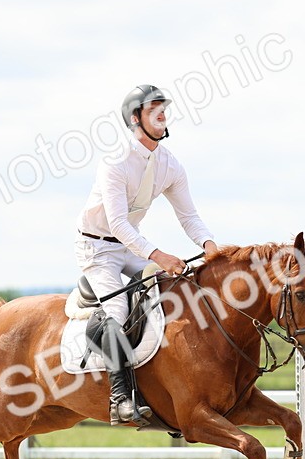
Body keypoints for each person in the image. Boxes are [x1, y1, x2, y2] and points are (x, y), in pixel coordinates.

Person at [75, 84, 218, 425]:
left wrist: (210, 246)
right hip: (97, 247)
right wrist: (159, 255)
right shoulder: (115, 162)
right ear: (135, 118)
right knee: (117, 309)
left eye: (163, 107)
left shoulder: (170, 164)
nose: (162, 113)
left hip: (128, 246)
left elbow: (189, 216)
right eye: (153, 108)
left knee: (175, 286)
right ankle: (120, 398)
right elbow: (118, 223)